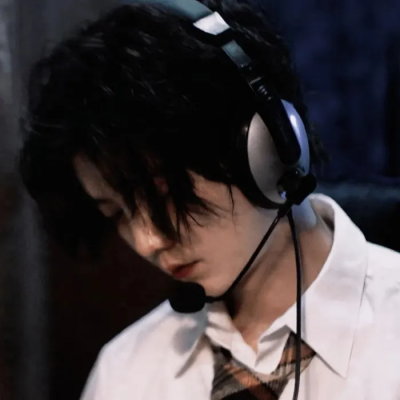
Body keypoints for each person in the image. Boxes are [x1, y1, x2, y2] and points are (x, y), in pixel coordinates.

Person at [19, 0, 400, 399]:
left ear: (268, 147)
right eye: (117, 213)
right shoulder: (125, 373)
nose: (148, 241)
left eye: (168, 195)